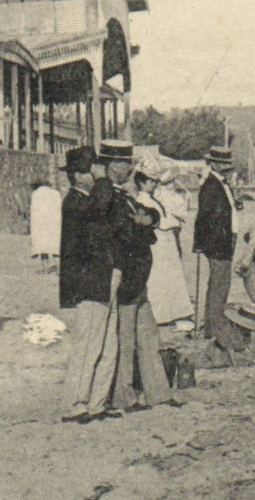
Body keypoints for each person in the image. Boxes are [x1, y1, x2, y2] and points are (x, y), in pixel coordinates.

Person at [106, 145, 177, 412]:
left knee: (149, 337)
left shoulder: (124, 197)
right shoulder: (111, 198)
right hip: (127, 279)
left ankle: (158, 392)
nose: (131, 171)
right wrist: (143, 225)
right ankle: (124, 396)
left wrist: (146, 221)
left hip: (138, 279)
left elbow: (154, 217)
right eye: (127, 165)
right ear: (114, 165)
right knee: (126, 340)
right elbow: (128, 233)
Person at [59, 146, 120, 424]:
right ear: (79, 175)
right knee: (88, 345)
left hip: (101, 278)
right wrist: (104, 180)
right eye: (91, 169)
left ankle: (96, 401)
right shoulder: (76, 202)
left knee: (106, 343)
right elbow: (100, 210)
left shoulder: (86, 201)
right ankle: (75, 403)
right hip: (89, 281)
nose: (95, 174)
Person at [193, 145, 245, 352]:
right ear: (214, 164)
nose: (226, 167)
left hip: (225, 238)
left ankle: (212, 325)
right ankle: (215, 326)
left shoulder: (222, 185)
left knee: (219, 283)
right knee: (219, 284)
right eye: (223, 164)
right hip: (217, 240)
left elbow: (227, 209)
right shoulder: (210, 186)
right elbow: (203, 217)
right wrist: (199, 243)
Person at [136, 168, 196, 328]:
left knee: (170, 277)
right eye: (150, 181)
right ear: (141, 183)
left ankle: (172, 312)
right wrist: (175, 222)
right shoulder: (142, 200)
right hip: (158, 242)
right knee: (159, 279)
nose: (153, 184)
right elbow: (160, 221)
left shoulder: (152, 198)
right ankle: (159, 314)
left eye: (154, 181)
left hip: (165, 242)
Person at [29, 179, 62, 272]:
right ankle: (59, 267)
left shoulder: (35, 194)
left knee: (42, 246)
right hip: (54, 222)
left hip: (40, 223)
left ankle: (45, 268)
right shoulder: (56, 193)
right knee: (55, 246)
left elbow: (34, 211)